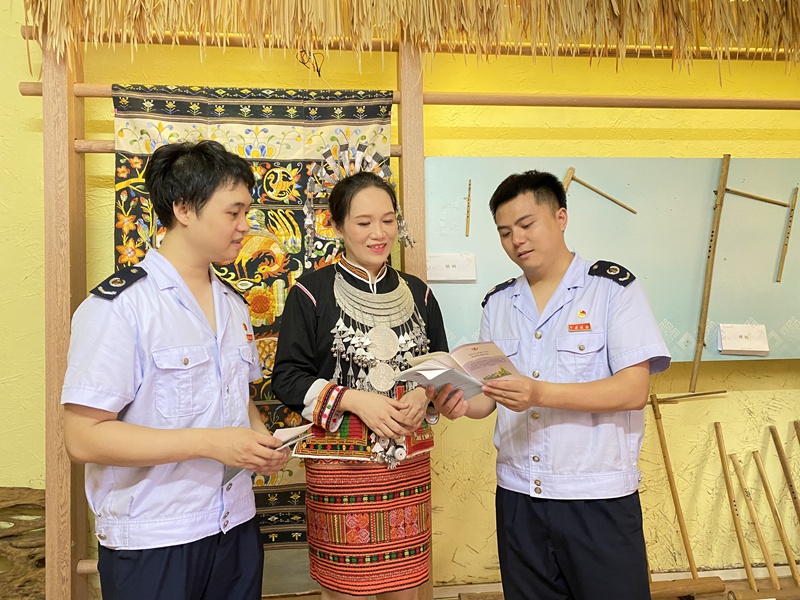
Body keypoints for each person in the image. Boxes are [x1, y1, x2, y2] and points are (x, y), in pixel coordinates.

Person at [61, 140, 290, 600]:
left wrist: (261, 441)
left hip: (234, 526)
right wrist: (211, 443)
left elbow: (236, 398)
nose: (246, 227)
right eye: (233, 213)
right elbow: (83, 438)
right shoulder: (120, 307)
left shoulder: (232, 305)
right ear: (183, 208)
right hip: (155, 537)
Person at [434, 169, 671, 600]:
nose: (516, 240)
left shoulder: (612, 290)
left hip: (595, 495)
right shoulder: (499, 302)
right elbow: (490, 400)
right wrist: (459, 404)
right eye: (505, 232)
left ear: (561, 217)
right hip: (519, 495)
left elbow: (633, 391)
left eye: (526, 225)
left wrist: (540, 393)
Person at [272, 171, 449, 600]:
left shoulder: (419, 293)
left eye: (388, 220)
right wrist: (354, 400)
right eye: (363, 222)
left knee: (405, 589)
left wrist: (422, 393)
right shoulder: (310, 293)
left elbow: (441, 364)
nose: (379, 233)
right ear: (336, 225)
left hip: (406, 468)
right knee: (349, 591)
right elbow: (287, 377)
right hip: (341, 471)